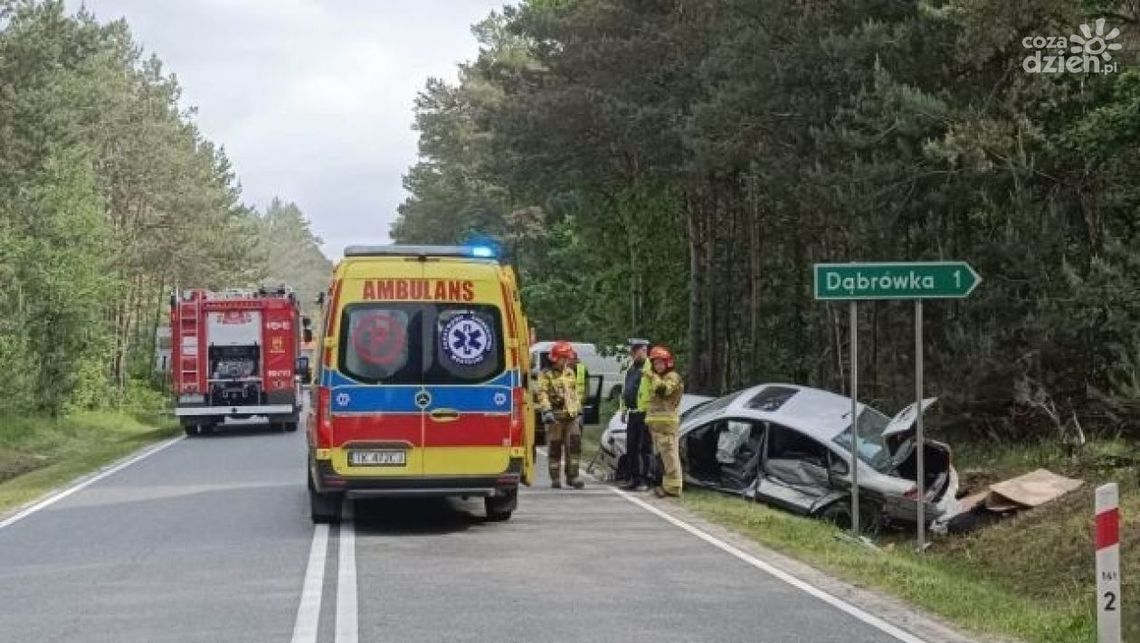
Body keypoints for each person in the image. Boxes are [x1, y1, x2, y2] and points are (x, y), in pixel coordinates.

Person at [536, 340, 586, 489]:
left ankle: (573, 476)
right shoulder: (546, 374)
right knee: (555, 447)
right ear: (555, 358)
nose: (566, 361)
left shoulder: (569, 372)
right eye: (563, 358)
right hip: (555, 417)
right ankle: (555, 478)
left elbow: (573, 393)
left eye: (567, 358)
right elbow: (542, 393)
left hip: (571, 416)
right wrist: (547, 410)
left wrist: (578, 410)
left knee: (574, 446)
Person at [646, 345, 684, 498]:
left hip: (667, 426)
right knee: (661, 457)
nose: (657, 366)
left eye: (660, 363)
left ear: (668, 362)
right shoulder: (660, 377)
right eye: (655, 364)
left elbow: (664, 390)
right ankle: (664, 485)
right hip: (656, 426)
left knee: (670, 456)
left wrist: (653, 377)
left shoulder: (672, 377)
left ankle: (673, 488)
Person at [617, 338, 652, 491]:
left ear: (644, 351)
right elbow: (627, 391)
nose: (633, 354)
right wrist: (623, 409)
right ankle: (634, 478)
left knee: (643, 448)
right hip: (632, 413)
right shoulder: (631, 368)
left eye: (636, 351)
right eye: (633, 351)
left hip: (645, 413)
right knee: (631, 447)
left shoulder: (650, 367)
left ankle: (644, 479)